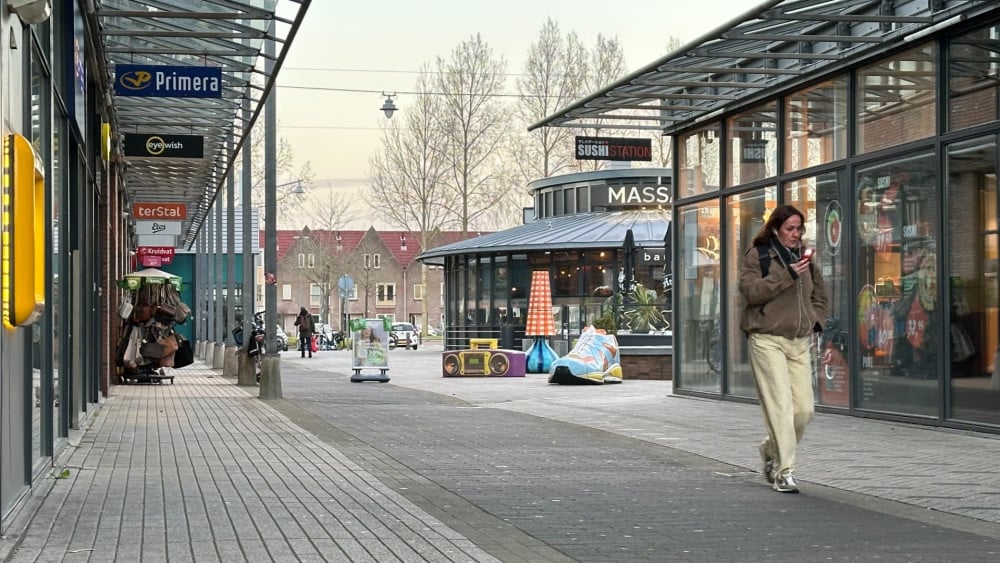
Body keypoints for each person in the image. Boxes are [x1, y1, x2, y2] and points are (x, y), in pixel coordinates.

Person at [738, 204, 829, 493]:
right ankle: (785, 471)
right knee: (780, 407)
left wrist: (815, 322)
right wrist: (786, 275)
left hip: (799, 342)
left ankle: (770, 449)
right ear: (776, 228)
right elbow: (751, 292)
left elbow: (820, 296)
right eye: (790, 228)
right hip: (766, 339)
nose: (796, 233)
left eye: (799, 228)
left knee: (804, 411)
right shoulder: (759, 255)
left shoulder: (806, 259)